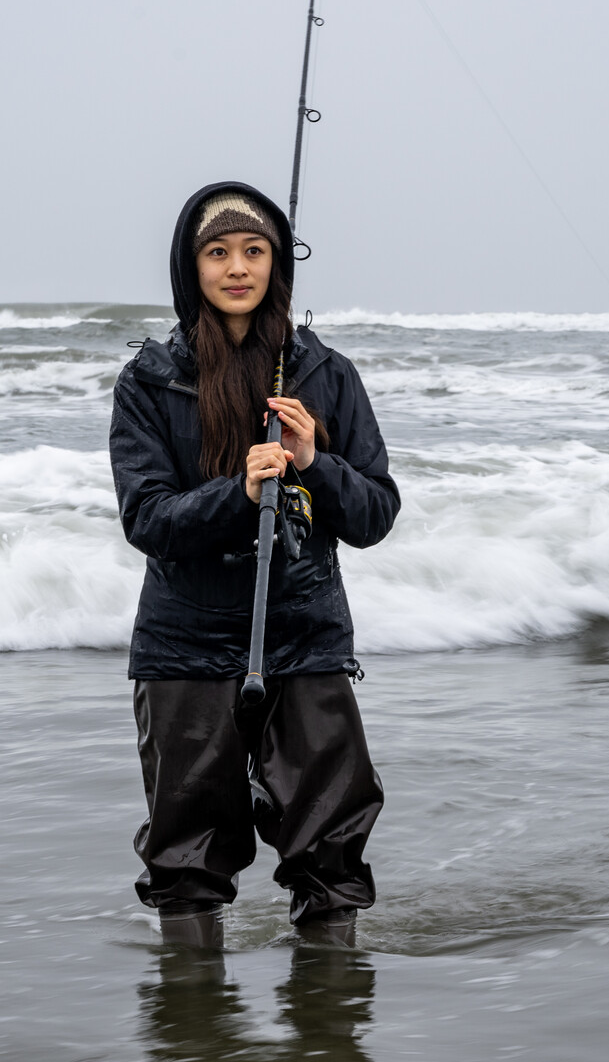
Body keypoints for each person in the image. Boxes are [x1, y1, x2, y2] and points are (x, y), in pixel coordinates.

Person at [110, 181, 400, 951]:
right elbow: (147, 520)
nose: (237, 267)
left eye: (254, 250)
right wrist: (237, 494)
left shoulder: (326, 374)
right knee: (185, 858)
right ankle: (195, 1043)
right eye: (217, 251)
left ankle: (329, 1039)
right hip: (184, 643)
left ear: (277, 262)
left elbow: (375, 513)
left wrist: (316, 462)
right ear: (190, 265)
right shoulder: (148, 378)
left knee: (330, 851)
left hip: (304, 636)